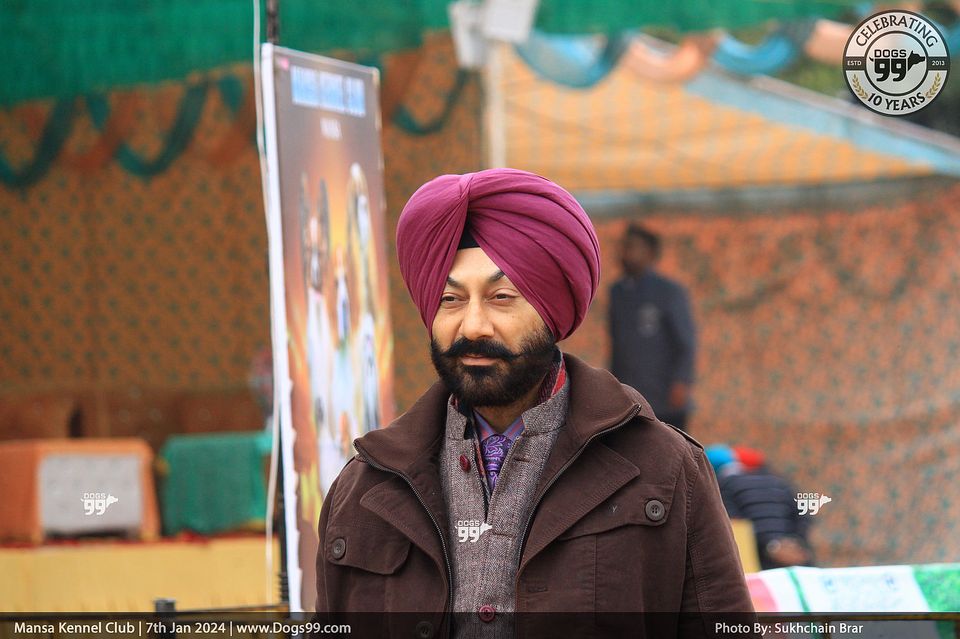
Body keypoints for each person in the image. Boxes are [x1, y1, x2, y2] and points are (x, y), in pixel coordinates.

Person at [314, 169, 754, 637]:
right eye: (450, 299)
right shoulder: (363, 488)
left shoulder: (664, 468)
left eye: (502, 297)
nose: (473, 326)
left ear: (550, 308)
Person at [609, 224, 696, 431]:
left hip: (664, 397)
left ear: (649, 253)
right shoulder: (618, 293)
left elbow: (685, 342)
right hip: (630, 398)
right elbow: (617, 344)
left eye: (631, 247)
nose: (625, 253)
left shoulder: (669, 291)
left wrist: (681, 381)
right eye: (623, 247)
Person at [706, 444, 815, 571]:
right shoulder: (780, 482)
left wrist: (772, 547)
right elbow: (803, 516)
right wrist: (794, 544)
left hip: (758, 559)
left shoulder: (725, 484)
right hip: (794, 556)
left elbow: (735, 523)